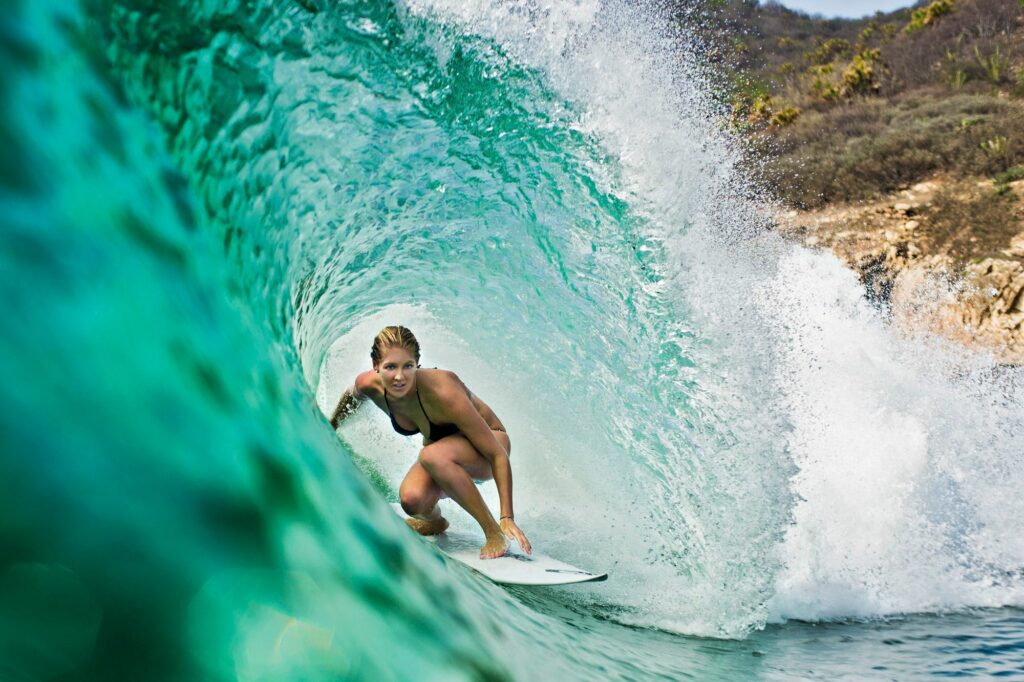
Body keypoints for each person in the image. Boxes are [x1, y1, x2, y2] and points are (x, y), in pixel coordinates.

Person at [329, 325, 531, 560]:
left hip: (489, 445)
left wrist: (507, 517)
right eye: (390, 367)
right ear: (375, 365)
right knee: (411, 500)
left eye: (408, 366)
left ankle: (494, 533)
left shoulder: (443, 390)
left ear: (418, 363)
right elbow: (352, 396)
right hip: (445, 455)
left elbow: (497, 455)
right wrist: (331, 425)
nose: (399, 376)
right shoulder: (369, 384)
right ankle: (435, 522)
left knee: (431, 456)